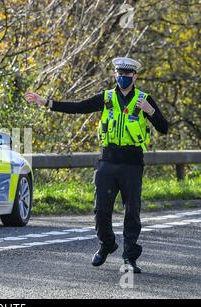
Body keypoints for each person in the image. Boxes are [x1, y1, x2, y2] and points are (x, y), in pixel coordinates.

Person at [25, 57, 168, 273]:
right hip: (107, 163)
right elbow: (78, 107)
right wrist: (45, 102)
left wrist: (150, 111)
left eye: (127, 74)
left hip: (132, 165)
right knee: (101, 211)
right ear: (114, 75)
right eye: (119, 73)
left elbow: (164, 127)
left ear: (135, 76)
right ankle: (107, 244)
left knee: (132, 213)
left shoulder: (144, 99)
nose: (123, 77)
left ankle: (129, 258)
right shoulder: (107, 98)